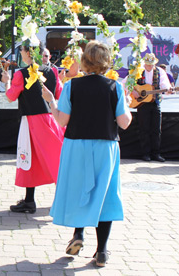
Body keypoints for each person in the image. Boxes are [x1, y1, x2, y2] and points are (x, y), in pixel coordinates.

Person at [41, 40, 132, 267]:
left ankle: (78, 234)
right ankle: (101, 251)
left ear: (84, 61)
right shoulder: (115, 87)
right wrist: (127, 103)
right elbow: (124, 123)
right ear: (106, 61)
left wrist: (51, 102)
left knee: (79, 190)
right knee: (105, 195)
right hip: (105, 146)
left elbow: (62, 121)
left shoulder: (72, 86)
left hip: (76, 146)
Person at [6, 43, 64, 214]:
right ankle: (30, 201)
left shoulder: (20, 74)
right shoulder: (52, 71)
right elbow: (59, 93)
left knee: (40, 159)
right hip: (51, 118)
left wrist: (7, 81)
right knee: (41, 159)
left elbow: (10, 96)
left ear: (28, 53)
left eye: (21, 50)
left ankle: (60, 201)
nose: (20, 53)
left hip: (32, 121)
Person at [130, 53, 172, 162]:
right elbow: (127, 83)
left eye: (151, 65)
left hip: (155, 102)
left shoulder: (160, 71)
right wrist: (133, 91)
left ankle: (156, 153)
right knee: (144, 129)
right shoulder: (138, 70)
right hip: (142, 103)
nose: (149, 67)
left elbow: (164, 84)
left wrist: (168, 89)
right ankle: (146, 153)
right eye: (148, 64)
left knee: (156, 129)